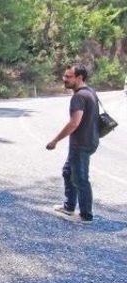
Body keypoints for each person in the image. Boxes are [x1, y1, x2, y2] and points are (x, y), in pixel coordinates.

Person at [47, 64, 99, 223]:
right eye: (65, 76)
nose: (64, 79)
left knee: (80, 178)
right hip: (89, 141)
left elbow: (74, 123)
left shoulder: (79, 97)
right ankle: (69, 206)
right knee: (68, 172)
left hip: (81, 144)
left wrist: (55, 140)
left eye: (68, 76)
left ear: (80, 78)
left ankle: (86, 215)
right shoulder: (91, 92)